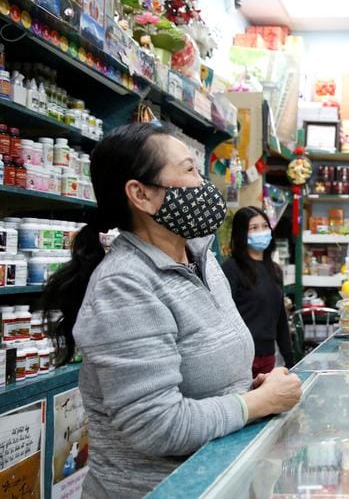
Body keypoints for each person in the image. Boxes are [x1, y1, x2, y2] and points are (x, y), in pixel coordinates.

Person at [42, 123, 303, 498]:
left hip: (214, 479)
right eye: (188, 171)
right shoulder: (125, 286)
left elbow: (208, 377)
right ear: (141, 195)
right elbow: (156, 424)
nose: (203, 185)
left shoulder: (201, 257)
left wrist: (249, 389)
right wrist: (256, 403)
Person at [223, 206, 295, 377]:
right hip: (240, 358)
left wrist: (291, 359)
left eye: (264, 226)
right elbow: (224, 318)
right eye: (254, 228)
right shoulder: (231, 269)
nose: (261, 232)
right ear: (241, 234)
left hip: (268, 357)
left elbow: (280, 318)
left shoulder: (275, 270)